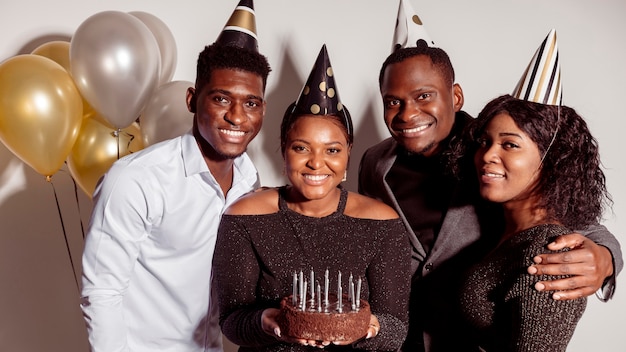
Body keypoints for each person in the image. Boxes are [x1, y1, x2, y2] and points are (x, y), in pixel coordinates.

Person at [357, 1, 623, 351]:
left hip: (469, 338)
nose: (408, 114)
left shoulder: (489, 155)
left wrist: (606, 258)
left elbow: (566, 218)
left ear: (455, 96)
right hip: (397, 337)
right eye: (393, 101)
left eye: (424, 96)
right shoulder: (375, 162)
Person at [80, 1, 271, 351]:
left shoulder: (248, 180)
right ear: (192, 99)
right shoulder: (136, 179)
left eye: (251, 103)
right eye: (221, 99)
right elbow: (101, 293)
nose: (237, 117)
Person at [212, 44, 412, 352]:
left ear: (348, 154)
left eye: (332, 150)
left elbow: (396, 328)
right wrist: (268, 322)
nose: (316, 163)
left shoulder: (382, 223)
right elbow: (231, 320)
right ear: (283, 151)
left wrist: (366, 330)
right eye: (301, 148)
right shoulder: (244, 217)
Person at [457, 29, 611, 351]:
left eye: (510, 145)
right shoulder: (503, 225)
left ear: (552, 159)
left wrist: (608, 256)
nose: (486, 155)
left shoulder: (551, 255)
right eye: (484, 142)